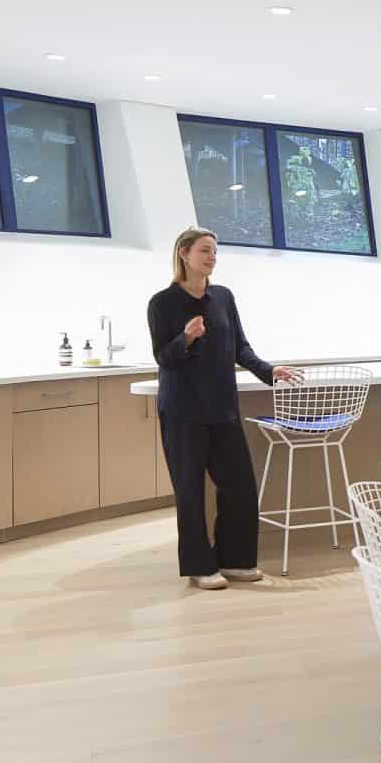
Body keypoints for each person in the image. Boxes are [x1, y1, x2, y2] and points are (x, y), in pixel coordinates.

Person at [148, 226, 300, 589]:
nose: (212, 257)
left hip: (222, 407)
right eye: (204, 250)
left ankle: (235, 560)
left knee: (240, 485)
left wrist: (268, 370)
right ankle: (200, 567)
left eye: (214, 251)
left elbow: (240, 347)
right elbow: (164, 358)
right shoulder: (162, 303)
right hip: (183, 410)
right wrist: (186, 337)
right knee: (190, 491)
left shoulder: (223, 297)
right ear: (183, 253)